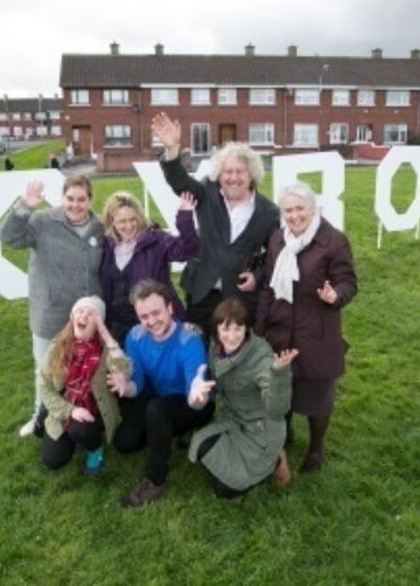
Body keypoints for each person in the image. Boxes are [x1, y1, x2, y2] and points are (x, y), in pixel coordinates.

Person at [256, 182, 358, 473]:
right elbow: (268, 286)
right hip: (281, 327)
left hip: (316, 330)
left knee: (318, 396)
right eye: (288, 210)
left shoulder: (334, 241)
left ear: (313, 208)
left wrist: (335, 295)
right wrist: (260, 326)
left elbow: (348, 281)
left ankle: (316, 447)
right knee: (282, 386)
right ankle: (285, 432)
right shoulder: (277, 240)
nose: (294, 215)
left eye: (300, 208)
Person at [153, 112, 279, 332]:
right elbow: (179, 181)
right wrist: (172, 150)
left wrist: (257, 276)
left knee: (233, 347)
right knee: (199, 345)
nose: (233, 178)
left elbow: (274, 255)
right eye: (227, 172)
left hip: (239, 296)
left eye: (240, 172)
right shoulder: (207, 192)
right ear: (219, 175)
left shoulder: (268, 212)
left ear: (251, 175)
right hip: (201, 291)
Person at [0, 175, 104, 436]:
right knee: (46, 370)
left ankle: (89, 417)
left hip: (86, 316)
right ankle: (40, 417)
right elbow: (9, 237)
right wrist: (24, 207)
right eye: (70, 198)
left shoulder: (100, 226)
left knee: (87, 368)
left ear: (90, 200)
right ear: (62, 198)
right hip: (50, 312)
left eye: (82, 199)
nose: (75, 205)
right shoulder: (43, 221)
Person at [110, 280, 214, 507]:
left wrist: (197, 395)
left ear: (170, 308)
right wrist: (125, 386)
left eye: (156, 313)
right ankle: (169, 433)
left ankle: (156, 479)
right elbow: (137, 383)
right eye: (144, 316)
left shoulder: (189, 340)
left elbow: (195, 390)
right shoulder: (135, 336)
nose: (151, 321)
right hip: (159, 398)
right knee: (124, 442)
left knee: (156, 410)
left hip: (192, 403)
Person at [188, 297, 295, 499]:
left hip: (260, 432)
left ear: (246, 329)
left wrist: (279, 375)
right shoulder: (215, 346)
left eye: (238, 328)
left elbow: (277, 409)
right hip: (232, 419)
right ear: (217, 330)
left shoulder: (261, 355)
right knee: (201, 445)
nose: (231, 336)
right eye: (225, 329)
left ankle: (276, 461)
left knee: (223, 490)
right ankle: (243, 461)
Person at [37, 296, 131, 474]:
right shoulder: (57, 347)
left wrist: (106, 335)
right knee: (53, 459)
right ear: (73, 317)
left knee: (81, 430)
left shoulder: (106, 349)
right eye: (80, 311)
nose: (84, 316)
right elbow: (43, 386)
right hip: (66, 408)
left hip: (95, 412)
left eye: (91, 314)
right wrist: (70, 410)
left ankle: (95, 448)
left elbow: (124, 369)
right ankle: (72, 435)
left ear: (98, 325)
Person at [99, 190, 201, 342]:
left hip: (152, 324)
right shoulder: (106, 246)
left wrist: (185, 217)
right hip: (116, 326)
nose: (129, 226)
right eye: (122, 221)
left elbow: (187, 250)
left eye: (133, 219)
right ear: (112, 221)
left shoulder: (155, 240)